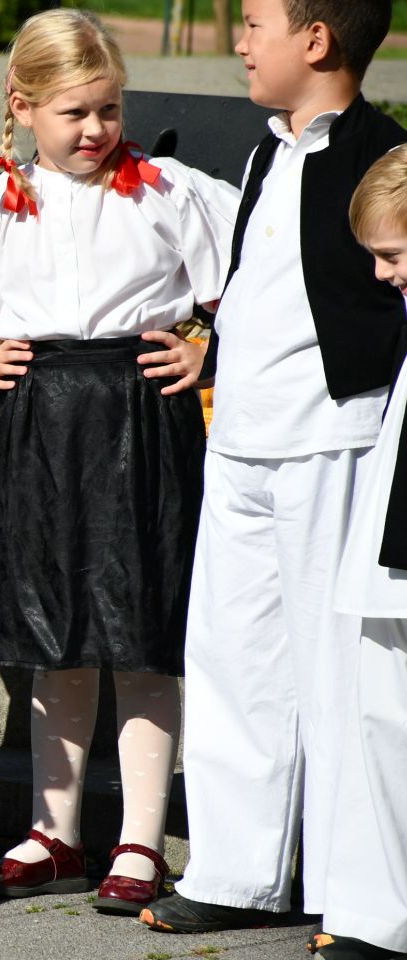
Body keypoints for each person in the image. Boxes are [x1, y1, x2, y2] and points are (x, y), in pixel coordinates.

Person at [0, 9, 240, 915]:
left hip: (139, 411)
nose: (96, 129)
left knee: (140, 629)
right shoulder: (0, 200)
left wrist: (206, 346)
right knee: (52, 625)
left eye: (107, 108)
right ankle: (53, 828)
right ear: (22, 108)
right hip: (41, 416)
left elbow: (246, 271)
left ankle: (140, 836)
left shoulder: (168, 190)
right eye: (74, 113)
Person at [142, 0, 407, 934]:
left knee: (337, 669)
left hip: (334, 438)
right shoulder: (265, 151)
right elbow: (265, 282)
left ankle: (351, 890)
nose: (242, 41)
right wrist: (211, 349)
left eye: (256, 22)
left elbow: (370, 297)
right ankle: (235, 870)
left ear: (318, 39)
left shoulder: (382, 154)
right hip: (244, 438)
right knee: (232, 655)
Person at [306, 145, 407, 960]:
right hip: (390, 555)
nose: (380, 275)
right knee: (380, 724)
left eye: (393, 255)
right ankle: (379, 917)